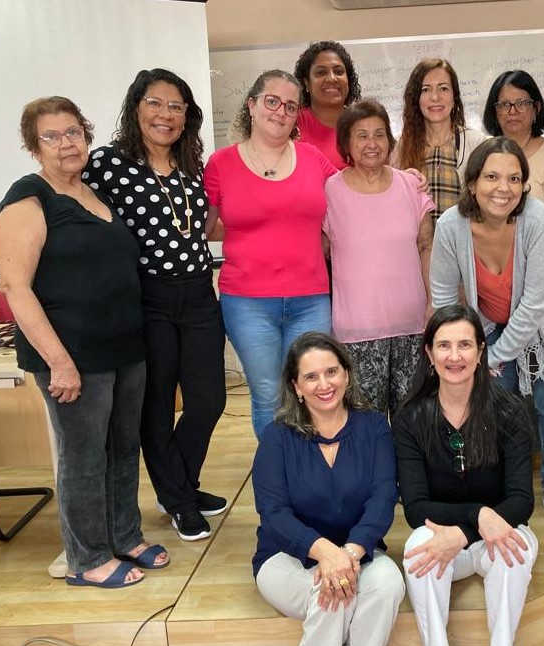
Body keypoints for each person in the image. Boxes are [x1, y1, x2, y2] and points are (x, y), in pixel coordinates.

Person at [0, 96, 168, 588]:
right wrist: (59, 362)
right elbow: (15, 287)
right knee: (84, 455)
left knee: (121, 447)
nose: (66, 143)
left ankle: (123, 536)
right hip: (73, 356)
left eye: (73, 132)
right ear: (34, 147)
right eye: (51, 136)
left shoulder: (92, 193)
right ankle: (87, 559)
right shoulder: (27, 200)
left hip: (123, 349)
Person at [83, 68, 227, 543]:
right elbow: (74, 208)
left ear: (188, 116)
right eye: (155, 103)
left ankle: (176, 486)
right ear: (135, 108)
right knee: (157, 406)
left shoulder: (191, 164)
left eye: (177, 106)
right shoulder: (108, 164)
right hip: (149, 298)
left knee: (209, 398)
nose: (166, 114)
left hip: (200, 293)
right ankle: (182, 499)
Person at [431, 137, 544, 530]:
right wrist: (467, 350)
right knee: (496, 403)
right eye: (491, 176)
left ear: (524, 184)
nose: (502, 188)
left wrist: (495, 355)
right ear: (472, 182)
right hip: (493, 320)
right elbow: (443, 296)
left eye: (513, 178)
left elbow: (538, 300)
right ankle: (507, 487)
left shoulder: (536, 219)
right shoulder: (450, 226)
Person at [393, 304, 537, 646]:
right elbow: (415, 507)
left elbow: (521, 500)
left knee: (518, 550)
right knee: (417, 549)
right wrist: (473, 521)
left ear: (480, 351)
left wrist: (476, 528)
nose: (454, 356)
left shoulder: (509, 410)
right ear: (428, 353)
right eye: (444, 346)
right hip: (452, 537)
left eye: (463, 345)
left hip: (496, 537)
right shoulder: (410, 417)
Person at [252, 332, 404, 646]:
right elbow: (273, 514)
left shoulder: (373, 428)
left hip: (357, 552)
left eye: (332, 371)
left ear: (347, 374)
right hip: (284, 559)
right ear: (296, 387)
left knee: (388, 585)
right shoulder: (277, 437)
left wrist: (349, 553)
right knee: (330, 593)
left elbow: (383, 497)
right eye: (312, 377)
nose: (325, 384)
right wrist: (325, 553)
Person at [204, 70, 336, 439]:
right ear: (252, 105)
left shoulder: (312, 158)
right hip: (247, 303)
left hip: (311, 299)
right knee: (268, 396)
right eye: (272, 101)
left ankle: (311, 474)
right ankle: (277, 481)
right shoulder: (221, 163)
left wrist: (405, 178)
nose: (280, 111)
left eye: (290, 106)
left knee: (314, 393)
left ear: (297, 116)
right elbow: (205, 227)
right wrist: (256, 233)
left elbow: (353, 195)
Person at [323, 98, 435, 415]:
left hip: (412, 328)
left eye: (379, 134)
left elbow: (427, 246)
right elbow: (320, 252)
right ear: (346, 142)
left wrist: (431, 304)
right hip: (356, 332)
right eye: (362, 135)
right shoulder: (330, 190)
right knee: (364, 423)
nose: (372, 143)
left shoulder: (411, 184)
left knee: (412, 420)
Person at [393, 59, 488, 222]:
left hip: (463, 246)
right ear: (416, 98)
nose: (435, 97)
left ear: (454, 96)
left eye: (443, 88)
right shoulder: (400, 146)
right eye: (426, 90)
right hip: (415, 246)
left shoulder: (476, 143)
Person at [482, 70, 544, 210]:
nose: (512, 111)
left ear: (536, 109)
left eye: (522, 103)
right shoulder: (482, 153)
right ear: (494, 112)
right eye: (504, 105)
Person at [293, 40, 362, 170]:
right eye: (321, 72)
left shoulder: (364, 122)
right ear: (306, 83)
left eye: (339, 72)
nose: (331, 78)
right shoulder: (292, 124)